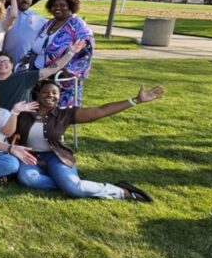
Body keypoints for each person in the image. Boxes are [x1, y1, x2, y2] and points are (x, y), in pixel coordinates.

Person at [15, 80, 164, 200]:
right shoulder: (24, 113)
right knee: (27, 179)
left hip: (56, 156)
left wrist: (136, 100)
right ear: (37, 93)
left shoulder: (65, 114)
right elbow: (10, 135)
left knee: (74, 189)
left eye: (55, 93)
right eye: (46, 92)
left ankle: (120, 191)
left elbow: (101, 110)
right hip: (30, 156)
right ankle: (67, 182)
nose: (51, 95)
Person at [28, 0, 95, 107]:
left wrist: (69, 70)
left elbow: (86, 51)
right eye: (54, 5)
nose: (58, 8)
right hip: (39, 75)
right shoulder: (49, 23)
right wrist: (27, 58)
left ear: (70, 7)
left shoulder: (77, 25)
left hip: (61, 79)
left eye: (62, 5)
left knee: (58, 115)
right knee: (38, 110)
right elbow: (37, 44)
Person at [0, 39, 87, 109]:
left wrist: (70, 53)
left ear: (12, 65)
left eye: (5, 62)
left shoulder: (24, 78)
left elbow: (51, 69)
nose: (2, 64)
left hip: (21, 119)